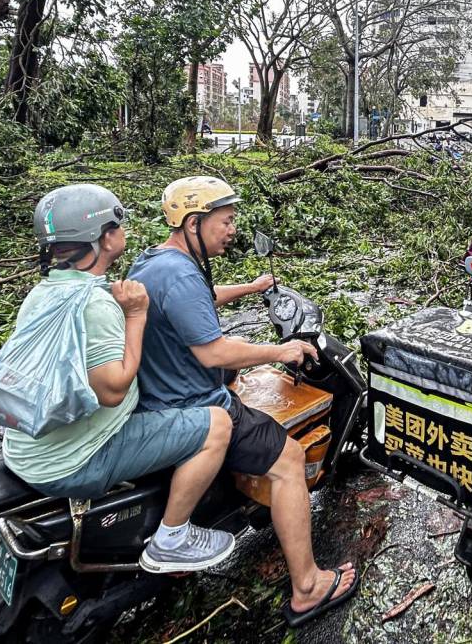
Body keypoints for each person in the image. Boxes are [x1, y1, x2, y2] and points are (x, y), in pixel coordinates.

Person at [128, 176, 359, 626]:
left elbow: (201, 298)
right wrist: (279, 351)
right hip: (195, 401)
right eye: (226, 221)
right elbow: (213, 351)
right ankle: (308, 587)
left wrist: (252, 289)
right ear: (194, 223)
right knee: (289, 459)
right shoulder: (180, 274)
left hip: (159, 397)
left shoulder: (156, 262)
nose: (232, 230)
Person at [3, 185, 236, 574]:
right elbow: (113, 390)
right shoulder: (96, 303)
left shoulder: (46, 291)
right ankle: (172, 538)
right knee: (217, 425)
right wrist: (136, 315)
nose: (123, 230)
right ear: (106, 237)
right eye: (118, 223)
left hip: (26, 448)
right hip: (70, 462)